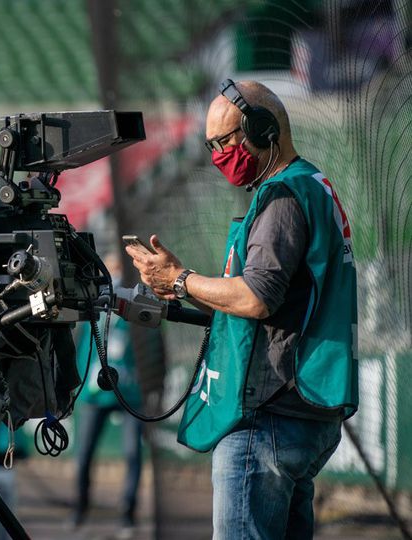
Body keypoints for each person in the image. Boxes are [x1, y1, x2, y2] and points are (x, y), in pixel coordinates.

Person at [124, 80, 358, 539]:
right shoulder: (313, 185)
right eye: (210, 145)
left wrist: (180, 280)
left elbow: (256, 297)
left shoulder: (282, 196)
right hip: (302, 414)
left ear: (264, 128)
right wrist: (187, 286)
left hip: (269, 416)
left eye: (225, 141)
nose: (217, 156)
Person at [72, 255, 143, 535]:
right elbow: (81, 351)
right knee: (84, 455)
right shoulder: (95, 309)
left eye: (118, 270)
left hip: (130, 395)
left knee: (132, 454)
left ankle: (128, 513)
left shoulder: (137, 308)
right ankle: (80, 508)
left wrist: (153, 387)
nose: (114, 276)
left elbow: (153, 352)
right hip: (95, 395)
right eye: (110, 269)